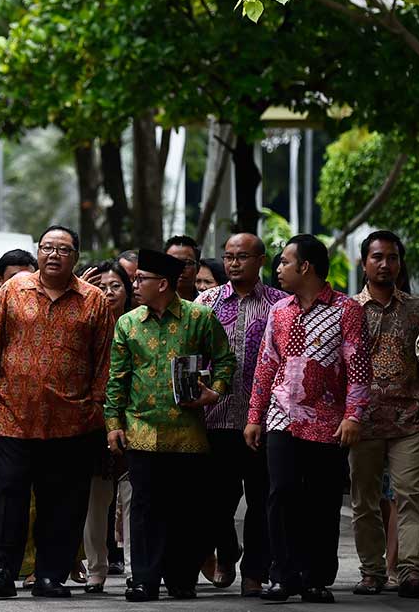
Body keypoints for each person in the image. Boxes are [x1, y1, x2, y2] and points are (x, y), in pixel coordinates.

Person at [0, 225, 114, 599]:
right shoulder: (12, 290)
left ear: (76, 257)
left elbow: (104, 361)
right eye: (48, 247)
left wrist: (97, 407)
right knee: (9, 494)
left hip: (72, 419)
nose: (54, 255)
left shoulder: (94, 301)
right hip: (13, 413)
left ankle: (51, 575)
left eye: (63, 249)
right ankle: (3, 571)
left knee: (63, 500)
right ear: (38, 252)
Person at [244, 234, 371, 603]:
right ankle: (282, 576)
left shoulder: (347, 310)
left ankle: (315, 578)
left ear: (306, 267)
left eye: (285, 262)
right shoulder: (279, 310)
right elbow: (266, 365)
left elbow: (358, 368)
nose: (278, 268)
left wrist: (353, 416)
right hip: (281, 417)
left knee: (323, 500)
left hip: (327, 421)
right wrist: (255, 416)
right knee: (280, 493)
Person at [106, 249, 236, 603]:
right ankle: (144, 580)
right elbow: (117, 379)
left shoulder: (199, 317)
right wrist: (113, 424)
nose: (134, 285)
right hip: (141, 429)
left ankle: (181, 578)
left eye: (141, 280)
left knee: (186, 509)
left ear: (162, 284)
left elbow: (225, 359)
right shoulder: (128, 323)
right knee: (145, 508)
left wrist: (214, 392)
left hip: (187, 433)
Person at [194, 234, 287, 597]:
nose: (233, 263)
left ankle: (254, 572)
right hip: (215, 418)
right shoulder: (206, 303)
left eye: (242, 256)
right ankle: (227, 550)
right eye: (229, 256)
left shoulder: (280, 304)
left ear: (261, 260)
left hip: (263, 420)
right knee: (216, 501)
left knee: (262, 499)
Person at [347, 231, 419, 597]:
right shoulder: (348, 309)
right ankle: (371, 571)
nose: (385, 264)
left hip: (409, 422)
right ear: (364, 262)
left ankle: (411, 571)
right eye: (378, 257)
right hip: (363, 423)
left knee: (411, 496)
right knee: (364, 502)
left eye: (393, 258)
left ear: (400, 263)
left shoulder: (418, 308)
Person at [83, 260, 133, 592]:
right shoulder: (83, 323)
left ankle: (135, 568)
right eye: (100, 286)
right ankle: (96, 569)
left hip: (133, 419)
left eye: (116, 285)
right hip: (93, 419)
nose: (108, 292)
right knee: (96, 499)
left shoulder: (138, 323)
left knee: (132, 495)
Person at [164, 235, 200, 301]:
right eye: (173, 262)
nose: (180, 268)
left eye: (187, 263)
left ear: (198, 268)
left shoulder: (208, 303)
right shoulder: (151, 302)